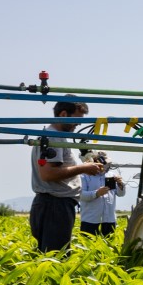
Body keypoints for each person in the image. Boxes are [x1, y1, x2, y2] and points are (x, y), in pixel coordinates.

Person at [29, 100, 103, 252]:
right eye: (76, 120)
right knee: (55, 257)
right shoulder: (54, 138)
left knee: (50, 254)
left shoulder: (55, 136)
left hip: (53, 205)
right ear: (63, 114)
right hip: (55, 206)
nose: (77, 125)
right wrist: (83, 168)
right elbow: (48, 174)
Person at [79, 151, 125, 236]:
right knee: (88, 246)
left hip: (109, 219)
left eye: (108, 164)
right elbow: (81, 195)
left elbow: (120, 194)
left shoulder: (112, 175)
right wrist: (96, 193)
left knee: (109, 246)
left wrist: (120, 184)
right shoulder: (84, 175)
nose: (106, 166)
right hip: (90, 220)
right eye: (105, 164)